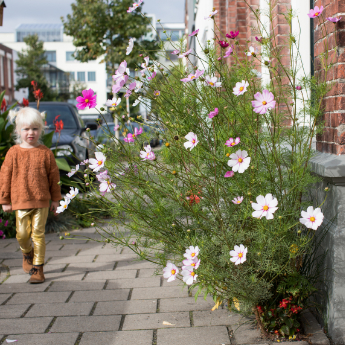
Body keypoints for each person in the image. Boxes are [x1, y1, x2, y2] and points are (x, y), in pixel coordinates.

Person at [0, 107, 61, 283]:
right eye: (26, 129)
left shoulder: (45, 153)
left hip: (41, 200)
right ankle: (27, 254)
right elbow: (5, 176)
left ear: (41, 130)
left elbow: (54, 177)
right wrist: (4, 199)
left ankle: (38, 269)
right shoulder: (13, 152)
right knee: (22, 234)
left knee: (38, 234)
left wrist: (55, 199)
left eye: (35, 128)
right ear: (18, 130)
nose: (30, 133)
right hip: (20, 200)